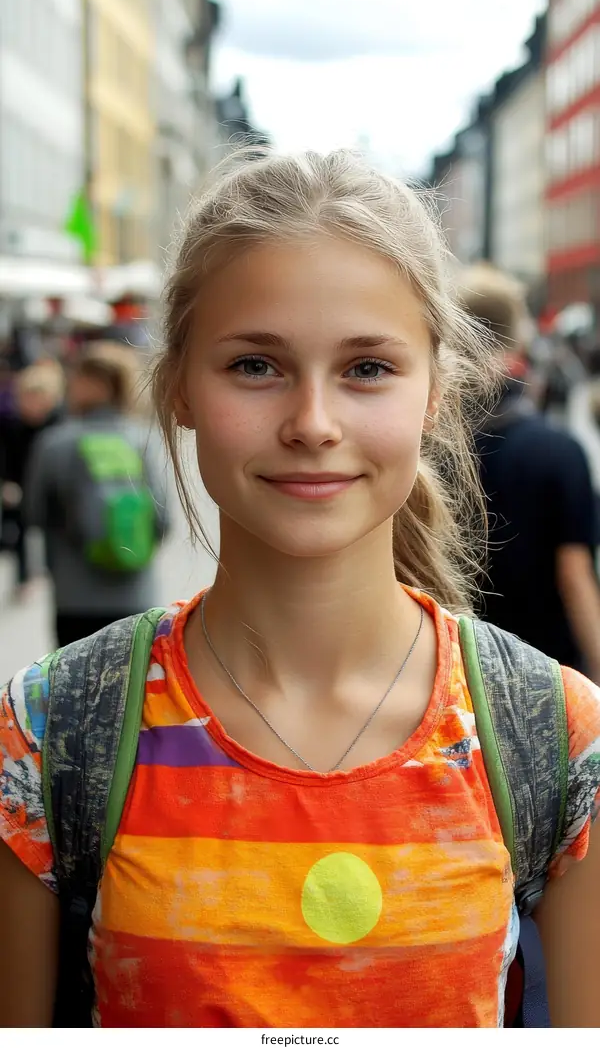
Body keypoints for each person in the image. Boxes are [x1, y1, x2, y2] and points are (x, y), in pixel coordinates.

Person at [1, 150, 599, 1029]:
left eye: (367, 369)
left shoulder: (556, 733)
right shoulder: (51, 732)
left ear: (436, 390)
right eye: (255, 365)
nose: (312, 423)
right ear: (177, 389)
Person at [460, 265, 600, 681]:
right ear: (518, 337)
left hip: (457, 677)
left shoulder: (426, 449)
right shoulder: (557, 450)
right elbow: (575, 578)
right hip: (547, 679)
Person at [23, 341, 170, 646]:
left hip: (73, 595)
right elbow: (163, 520)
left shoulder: (54, 442)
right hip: (135, 596)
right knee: (132, 690)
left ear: (91, 383)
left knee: (74, 690)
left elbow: (33, 514)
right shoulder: (143, 439)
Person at [0, 362, 65, 597]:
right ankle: (24, 578)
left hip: (51, 486)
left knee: (52, 528)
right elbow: (7, 458)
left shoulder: (59, 424)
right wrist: (7, 483)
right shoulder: (12, 424)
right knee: (19, 528)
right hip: (22, 484)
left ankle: (50, 569)